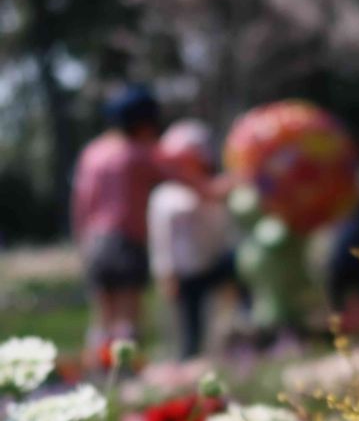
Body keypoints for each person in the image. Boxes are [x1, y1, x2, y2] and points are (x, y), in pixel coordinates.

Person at [72, 86, 165, 357]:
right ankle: (126, 374)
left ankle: (99, 371)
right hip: (126, 239)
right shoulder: (137, 153)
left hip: (96, 240)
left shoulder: (93, 152)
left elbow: (82, 203)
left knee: (102, 315)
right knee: (128, 314)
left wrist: (82, 243)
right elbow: (181, 176)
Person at [148, 120, 245, 359]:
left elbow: (225, 228)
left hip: (214, 263)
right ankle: (188, 359)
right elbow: (161, 241)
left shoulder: (218, 191)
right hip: (185, 273)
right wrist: (165, 272)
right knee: (189, 327)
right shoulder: (165, 196)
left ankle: (240, 343)